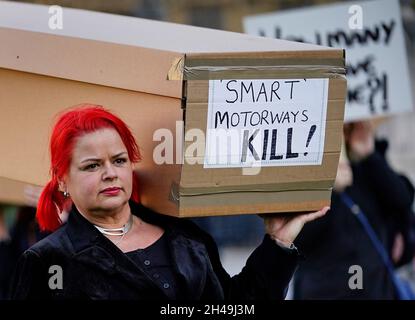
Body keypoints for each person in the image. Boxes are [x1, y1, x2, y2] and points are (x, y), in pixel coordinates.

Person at [9, 104, 328, 300]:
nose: (110, 174)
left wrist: (277, 242)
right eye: (92, 165)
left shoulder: (186, 238)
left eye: (119, 161)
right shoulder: (47, 262)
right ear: (62, 179)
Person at [293, 121, 415, 300]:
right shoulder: (301, 168)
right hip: (323, 291)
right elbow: (297, 238)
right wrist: (329, 191)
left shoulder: (368, 163)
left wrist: (369, 154)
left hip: (375, 290)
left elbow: (402, 199)